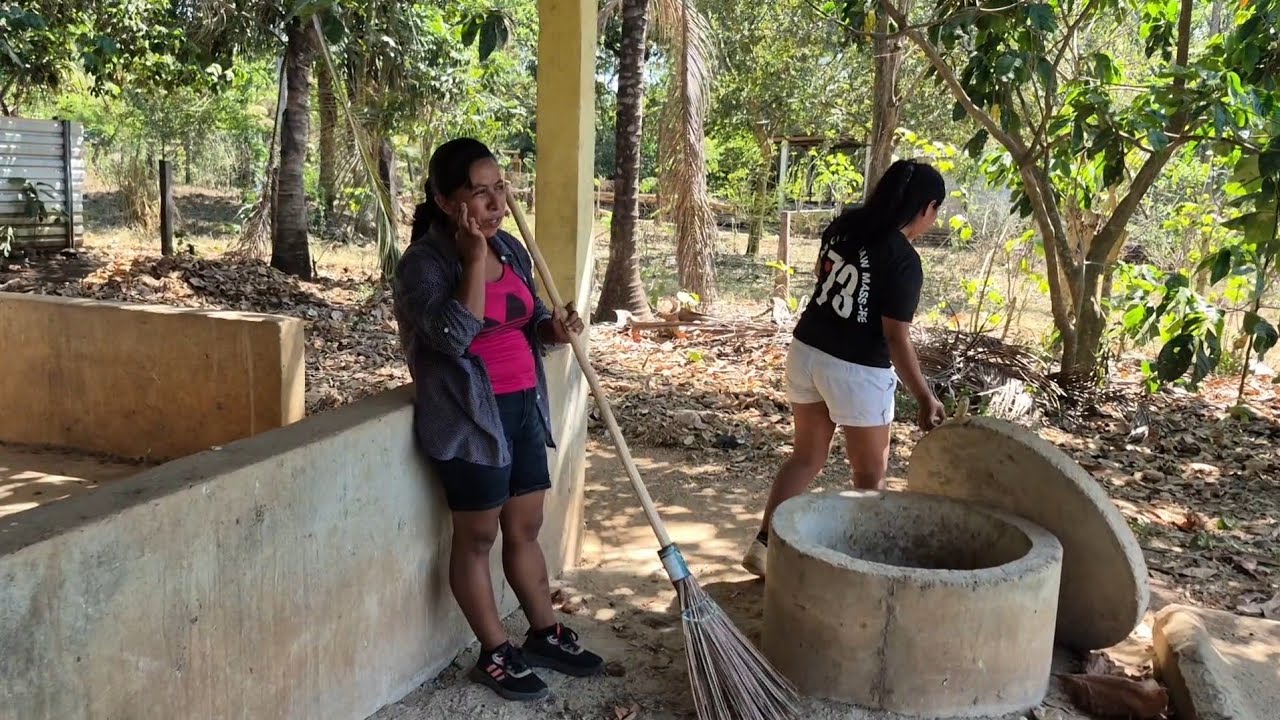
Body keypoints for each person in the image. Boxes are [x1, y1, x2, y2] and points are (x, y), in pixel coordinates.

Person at [392, 137, 604, 701]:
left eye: (500, 189)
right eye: (479, 193)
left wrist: (555, 329)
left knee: (525, 527)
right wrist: (472, 259)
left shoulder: (510, 248)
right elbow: (454, 337)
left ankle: (544, 632)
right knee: (478, 536)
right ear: (445, 200)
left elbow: (528, 322)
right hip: (469, 419)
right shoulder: (424, 265)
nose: (495, 203)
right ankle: (494, 651)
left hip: (524, 406)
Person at [741, 158, 948, 578]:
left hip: (807, 351)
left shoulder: (843, 226)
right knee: (870, 475)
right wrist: (925, 396)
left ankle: (764, 546)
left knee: (805, 458)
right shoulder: (903, 259)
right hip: (857, 371)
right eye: (936, 210)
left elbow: (827, 278)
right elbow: (896, 337)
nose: (934, 220)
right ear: (926, 207)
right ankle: (863, 572)